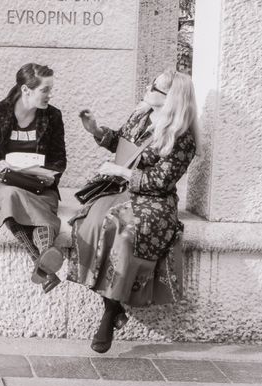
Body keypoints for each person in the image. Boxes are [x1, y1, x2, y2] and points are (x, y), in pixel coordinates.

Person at [69, 69, 199, 353]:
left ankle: (109, 312)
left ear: (172, 99)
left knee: (124, 234)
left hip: (156, 201)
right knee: (90, 223)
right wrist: (97, 131)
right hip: (120, 190)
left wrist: (122, 173)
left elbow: (160, 181)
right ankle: (111, 308)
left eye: (156, 87)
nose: (148, 86)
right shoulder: (141, 115)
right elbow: (123, 143)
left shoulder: (182, 136)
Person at [0, 63, 68, 291]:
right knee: (11, 196)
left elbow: (59, 159)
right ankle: (43, 258)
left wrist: (49, 175)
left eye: (50, 89)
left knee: (33, 204)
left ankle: (44, 262)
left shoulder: (53, 116)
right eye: (44, 89)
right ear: (26, 90)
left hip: (39, 187)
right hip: (5, 184)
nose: (50, 94)